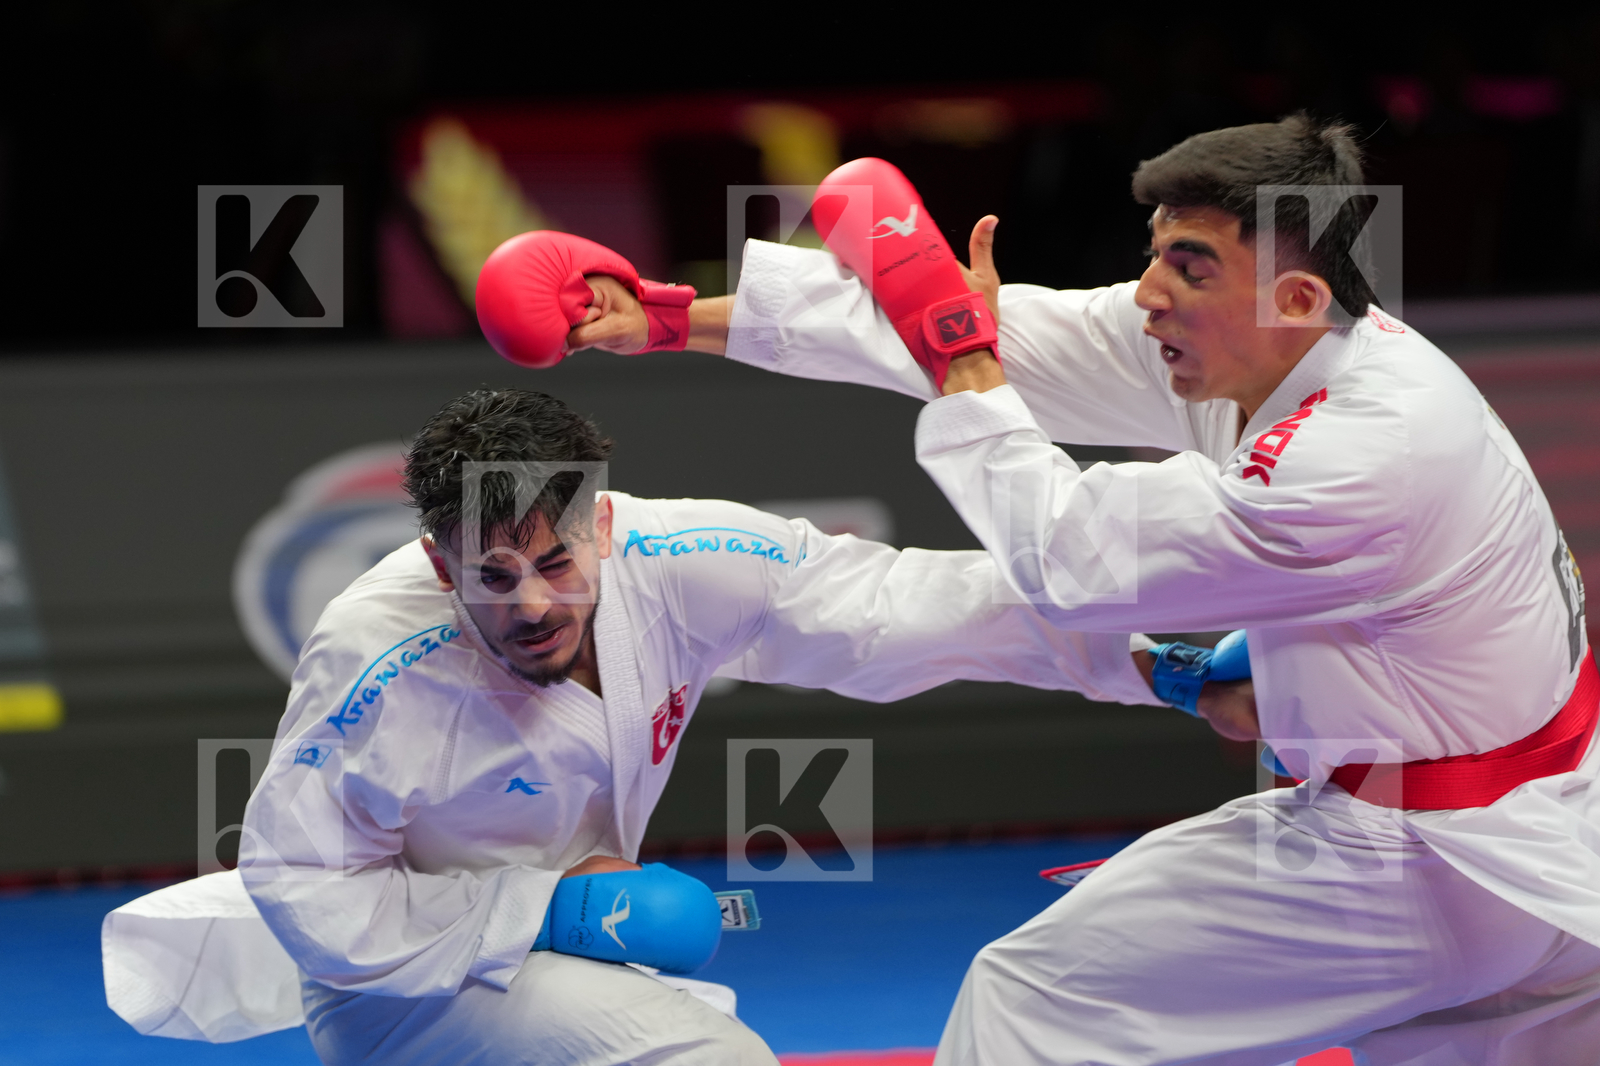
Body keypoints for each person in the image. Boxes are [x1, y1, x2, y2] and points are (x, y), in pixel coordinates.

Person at [543, 115, 1600, 1063]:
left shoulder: (1362, 450)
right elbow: (998, 333)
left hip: (1426, 856)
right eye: (1154, 260)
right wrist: (666, 315)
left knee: (1031, 1005)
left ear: (1296, 293)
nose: (1148, 296)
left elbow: (1073, 562)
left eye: (1187, 267)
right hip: (1531, 847)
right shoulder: (1282, 349)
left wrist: (967, 372)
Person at [104, 386, 1224, 1065]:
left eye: (555, 560)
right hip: (401, 996)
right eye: (493, 575)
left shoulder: (675, 558)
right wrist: (546, 907)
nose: (534, 602)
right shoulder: (374, 663)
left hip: (575, 951)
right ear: (441, 562)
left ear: (601, 520)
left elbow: (903, 610)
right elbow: (302, 882)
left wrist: (1152, 666)